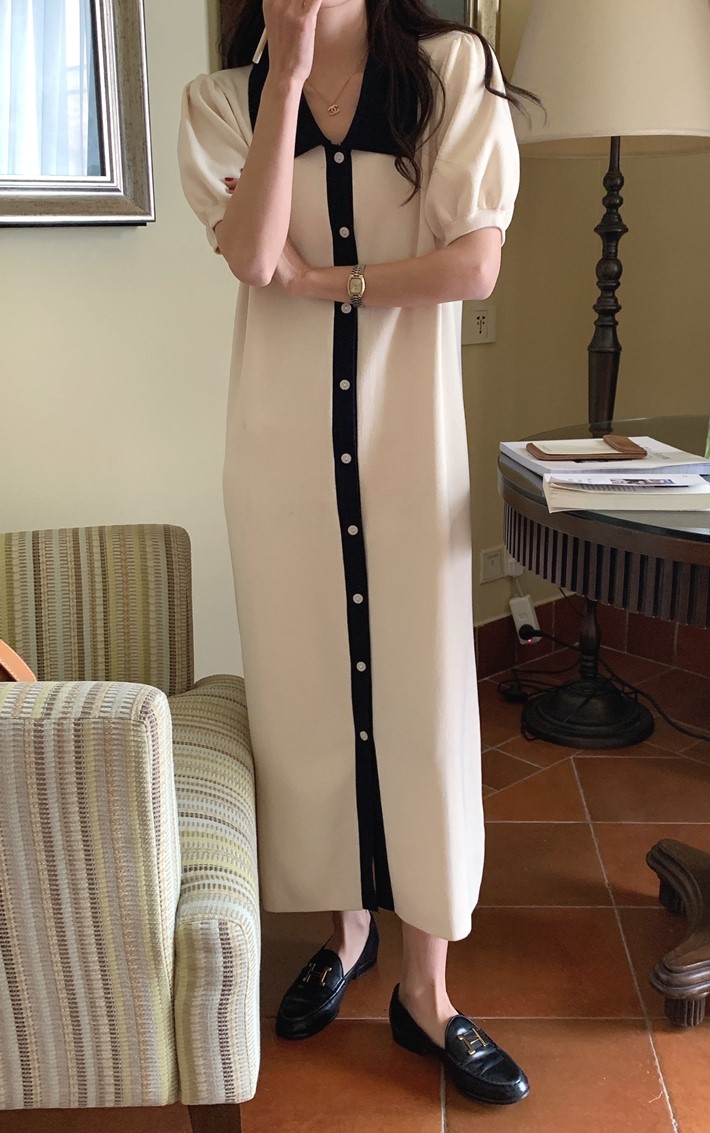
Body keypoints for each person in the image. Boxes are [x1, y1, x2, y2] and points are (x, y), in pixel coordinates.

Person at [178, 0, 530, 1105]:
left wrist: (333, 283)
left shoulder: (447, 70)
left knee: (422, 705)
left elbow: (474, 265)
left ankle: (428, 988)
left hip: (405, 451)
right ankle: (345, 933)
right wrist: (283, 77)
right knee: (308, 698)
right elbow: (251, 256)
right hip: (280, 460)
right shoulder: (221, 101)